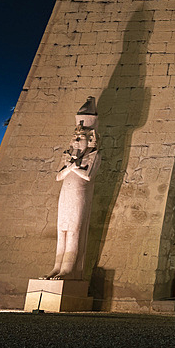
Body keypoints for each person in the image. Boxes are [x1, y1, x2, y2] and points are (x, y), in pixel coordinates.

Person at [45, 97, 100, 279]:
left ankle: (69, 269)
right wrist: (71, 165)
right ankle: (56, 266)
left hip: (79, 195)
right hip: (66, 195)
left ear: (90, 139)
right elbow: (58, 176)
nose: (76, 141)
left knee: (74, 231)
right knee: (62, 230)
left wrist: (74, 166)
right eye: (75, 138)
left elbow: (88, 175)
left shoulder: (92, 156)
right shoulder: (68, 156)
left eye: (81, 138)